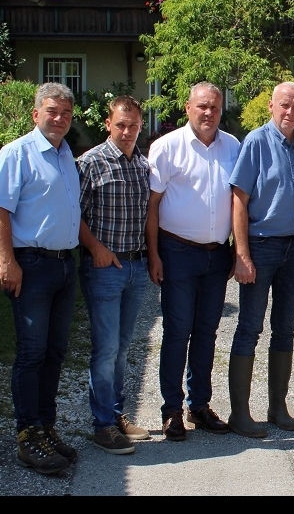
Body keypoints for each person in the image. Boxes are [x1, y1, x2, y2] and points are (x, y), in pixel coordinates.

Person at [147, 81, 241, 442]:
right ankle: (172, 410)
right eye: (202, 106)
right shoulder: (167, 148)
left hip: (216, 255)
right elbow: (152, 206)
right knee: (177, 332)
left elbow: (237, 201)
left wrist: (237, 250)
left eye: (215, 107)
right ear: (188, 108)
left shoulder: (232, 146)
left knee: (206, 332)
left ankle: (199, 405)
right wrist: (154, 254)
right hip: (177, 252)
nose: (208, 113)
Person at [0, 82, 81, 475]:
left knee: (55, 351)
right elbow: (1, 210)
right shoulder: (17, 154)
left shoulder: (66, 155)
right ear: (36, 114)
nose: (59, 119)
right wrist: (6, 261)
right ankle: (27, 436)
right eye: (52, 111)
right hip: (30, 265)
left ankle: (46, 428)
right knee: (31, 353)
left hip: (65, 266)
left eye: (66, 113)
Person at [226, 82, 294, 438]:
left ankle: (277, 406)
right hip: (262, 246)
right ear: (270, 106)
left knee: (286, 326)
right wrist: (242, 254)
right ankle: (240, 413)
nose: (289, 112)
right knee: (250, 326)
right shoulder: (255, 142)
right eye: (283, 105)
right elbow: (239, 201)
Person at [77, 94, 152, 455]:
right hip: (105, 268)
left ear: (141, 126)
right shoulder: (90, 163)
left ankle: (116, 414)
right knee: (105, 349)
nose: (127, 131)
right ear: (108, 124)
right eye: (120, 125)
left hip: (135, 267)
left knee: (122, 348)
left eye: (133, 125)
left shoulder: (142, 164)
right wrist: (95, 248)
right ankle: (102, 425)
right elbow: (72, 214)